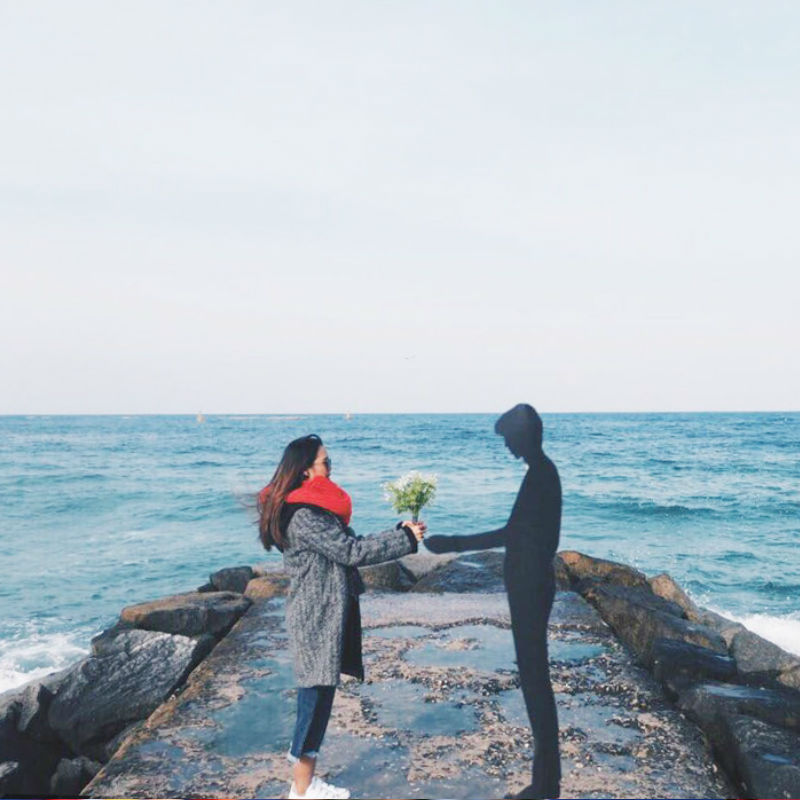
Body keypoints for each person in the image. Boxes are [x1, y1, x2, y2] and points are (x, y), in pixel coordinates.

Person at [258, 434, 425, 800]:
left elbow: (351, 542)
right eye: (326, 463)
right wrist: (406, 542)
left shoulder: (314, 510)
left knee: (320, 700)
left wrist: (399, 533)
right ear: (306, 472)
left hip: (325, 614)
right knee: (313, 704)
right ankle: (301, 790)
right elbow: (350, 552)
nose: (331, 469)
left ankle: (305, 784)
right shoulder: (304, 516)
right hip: (315, 619)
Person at [425, 404, 561, 800]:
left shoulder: (541, 476)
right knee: (534, 680)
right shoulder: (541, 473)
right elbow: (519, 535)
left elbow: (511, 534)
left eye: (507, 438)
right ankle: (546, 781)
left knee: (536, 683)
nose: (505, 446)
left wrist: (454, 544)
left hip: (531, 585)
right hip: (530, 583)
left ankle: (545, 786)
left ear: (522, 435)